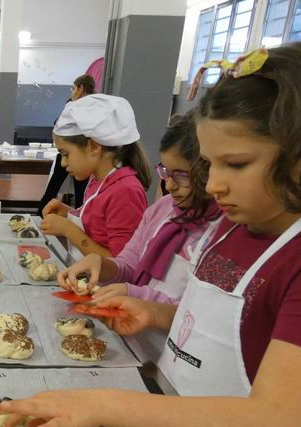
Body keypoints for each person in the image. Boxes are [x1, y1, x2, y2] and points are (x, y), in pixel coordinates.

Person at [0, 43, 301, 427]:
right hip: (180, 425)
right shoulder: (231, 227)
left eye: (237, 164)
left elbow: (273, 423)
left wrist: (103, 403)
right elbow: (218, 322)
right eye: (210, 166)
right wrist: (157, 314)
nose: (213, 186)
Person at [59, 112, 221, 305]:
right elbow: (128, 264)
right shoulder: (162, 210)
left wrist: (133, 293)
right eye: (165, 172)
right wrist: (101, 264)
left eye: (181, 175)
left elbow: (195, 311)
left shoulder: (222, 231)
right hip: (131, 328)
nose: (169, 186)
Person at [40, 94, 151, 261]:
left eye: (66, 154)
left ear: (93, 146)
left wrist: (69, 229)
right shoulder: (97, 179)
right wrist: (68, 213)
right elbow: (99, 227)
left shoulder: (125, 191)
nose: (63, 163)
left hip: (105, 286)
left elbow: (120, 265)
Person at [35, 75, 95, 216]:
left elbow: (59, 125)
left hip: (79, 156)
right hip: (77, 154)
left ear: (81, 88)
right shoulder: (75, 104)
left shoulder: (80, 106)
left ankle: (78, 219)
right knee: (67, 191)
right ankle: (41, 215)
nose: (72, 92)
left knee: (77, 192)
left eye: (73, 88)